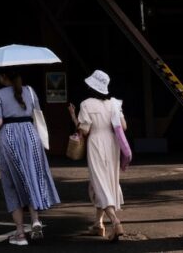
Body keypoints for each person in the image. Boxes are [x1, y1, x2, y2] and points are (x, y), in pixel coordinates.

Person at [0, 69, 60, 246]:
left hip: (9, 137)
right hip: (31, 135)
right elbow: (37, 113)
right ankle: (35, 220)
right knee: (33, 177)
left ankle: (20, 234)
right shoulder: (30, 91)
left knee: (12, 183)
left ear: (3, 77)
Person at [67, 69, 127, 242]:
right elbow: (123, 126)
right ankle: (98, 224)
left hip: (96, 143)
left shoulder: (86, 104)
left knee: (99, 182)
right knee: (105, 180)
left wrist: (72, 115)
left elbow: (84, 130)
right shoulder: (115, 103)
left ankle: (116, 222)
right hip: (112, 143)